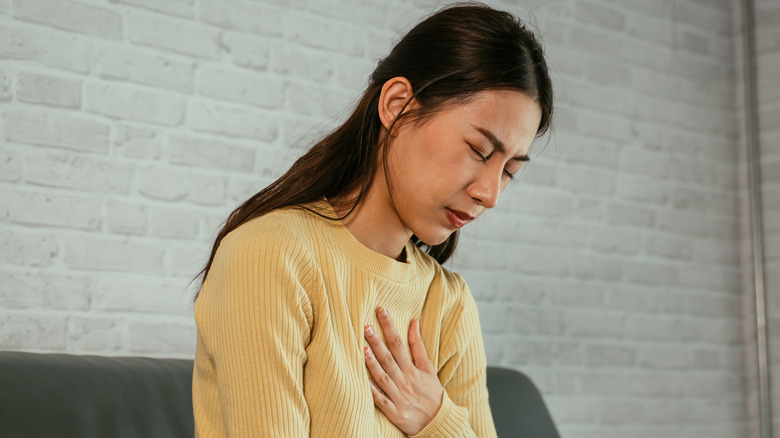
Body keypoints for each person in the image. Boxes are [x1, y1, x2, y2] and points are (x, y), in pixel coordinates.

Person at [190, 3, 553, 437]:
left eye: (510, 170)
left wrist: (436, 418)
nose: (490, 193)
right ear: (398, 106)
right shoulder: (271, 255)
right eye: (478, 150)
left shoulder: (448, 303)